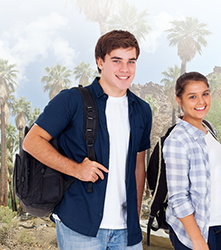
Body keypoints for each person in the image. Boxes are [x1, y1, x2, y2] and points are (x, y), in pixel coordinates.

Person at [23, 30, 152, 249]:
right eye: (116, 60)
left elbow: (139, 165)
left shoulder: (142, 110)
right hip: (79, 225)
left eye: (131, 61)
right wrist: (76, 169)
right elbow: (32, 141)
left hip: (127, 231)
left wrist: (135, 214)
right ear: (100, 62)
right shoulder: (72, 99)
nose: (125, 69)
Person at [163, 72, 221, 250]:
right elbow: (178, 198)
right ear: (179, 100)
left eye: (205, 94)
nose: (201, 102)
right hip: (196, 230)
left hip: (220, 224)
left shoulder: (209, 128)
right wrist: (198, 240)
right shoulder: (177, 140)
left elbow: (207, 171)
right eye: (192, 96)